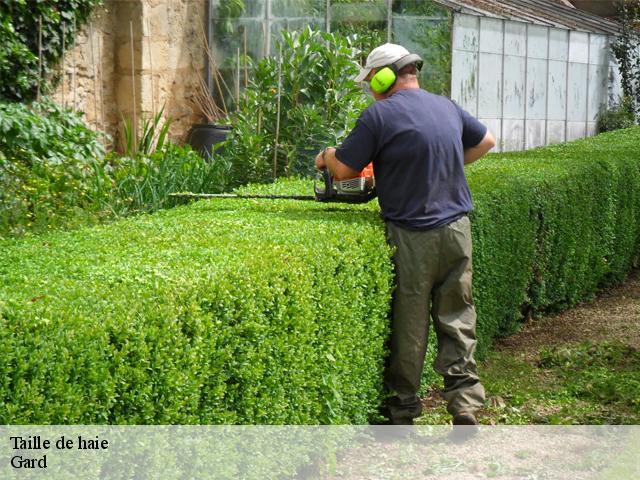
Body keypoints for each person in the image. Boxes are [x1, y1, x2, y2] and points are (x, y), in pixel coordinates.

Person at [315, 43, 496, 426]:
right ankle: (464, 404)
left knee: (410, 326)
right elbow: (485, 142)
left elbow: (345, 171)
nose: (369, 88)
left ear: (383, 77)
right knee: (458, 316)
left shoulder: (379, 115)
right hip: (457, 230)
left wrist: (327, 155)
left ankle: (402, 410)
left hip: (413, 235)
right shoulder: (446, 106)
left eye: (370, 80)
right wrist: (442, 161)